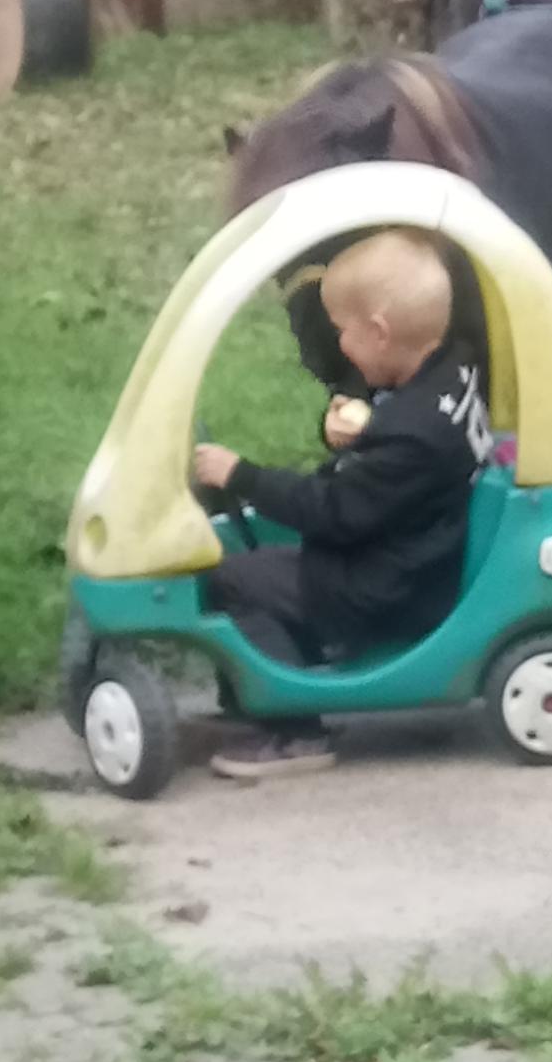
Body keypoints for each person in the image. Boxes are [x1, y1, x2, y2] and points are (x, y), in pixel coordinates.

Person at [194, 228, 493, 780]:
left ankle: (294, 728)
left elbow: (331, 511)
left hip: (387, 587)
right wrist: (366, 427)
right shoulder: (453, 367)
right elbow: (399, 455)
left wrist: (240, 475)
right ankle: (265, 682)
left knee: (234, 579)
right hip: (422, 551)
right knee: (265, 558)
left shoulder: (412, 437)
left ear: (379, 333)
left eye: (342, 333)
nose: (341, 348)